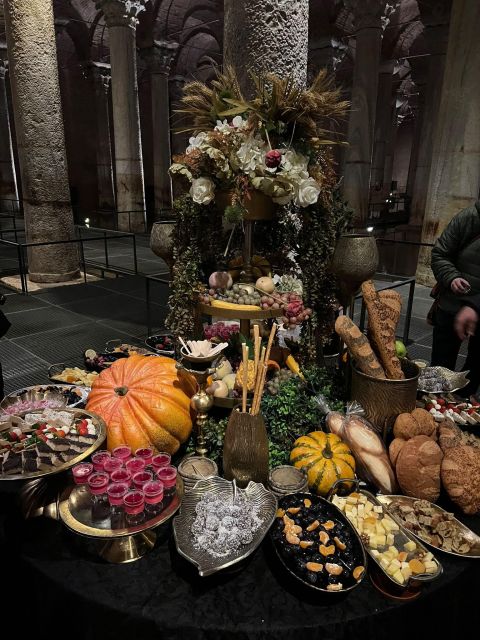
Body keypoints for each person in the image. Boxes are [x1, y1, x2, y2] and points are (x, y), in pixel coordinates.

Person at [430, 201, 480, 398]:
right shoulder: (468, 218)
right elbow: (440, 254)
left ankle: (460, 412)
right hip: (451, 306)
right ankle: (434, 408)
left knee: (474, 372)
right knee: (439, 372)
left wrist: (475, 305)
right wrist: (452, 278)